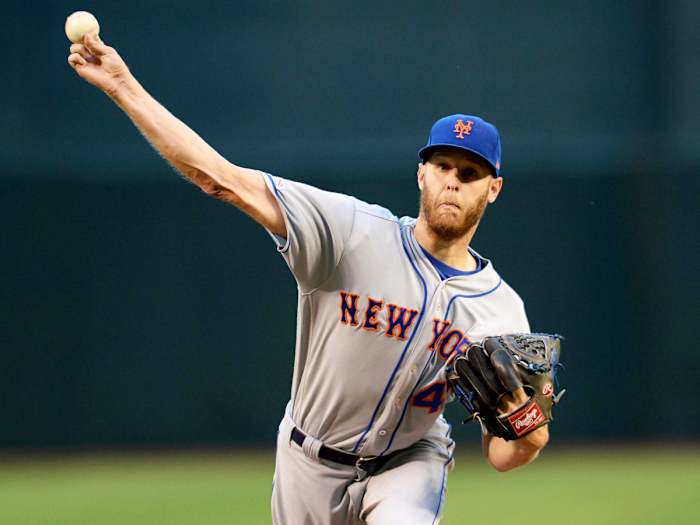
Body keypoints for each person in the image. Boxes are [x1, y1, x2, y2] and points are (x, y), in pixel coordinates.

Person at [68, 33, 549, 525]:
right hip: (307, 461)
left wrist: (527, 432)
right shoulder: (350, 232)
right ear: (422, 174)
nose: (453, 180)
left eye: (469, 174)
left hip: (410, 462)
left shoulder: (501, 311)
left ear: (493, 189)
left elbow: (502, 454)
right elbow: (219, 177)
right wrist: (122, 85)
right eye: (443, 165)